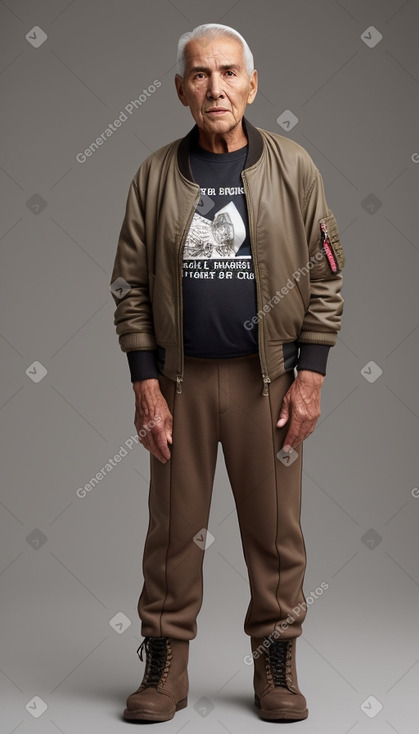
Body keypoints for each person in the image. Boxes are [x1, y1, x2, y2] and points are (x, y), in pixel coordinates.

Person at [110, 22, 345, 723]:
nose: (215, 86)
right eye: (199, 74)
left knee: (276, 533)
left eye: (227, 71)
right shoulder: (154, 175)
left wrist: (311, 375)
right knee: (172, 532)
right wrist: (145, 385)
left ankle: (276, 662)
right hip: (179, 385)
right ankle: (165, 665)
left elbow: (327, 277)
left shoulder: (293, 167)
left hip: (266, 382)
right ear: (181, 89)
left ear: (250, 83)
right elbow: (128, 287)